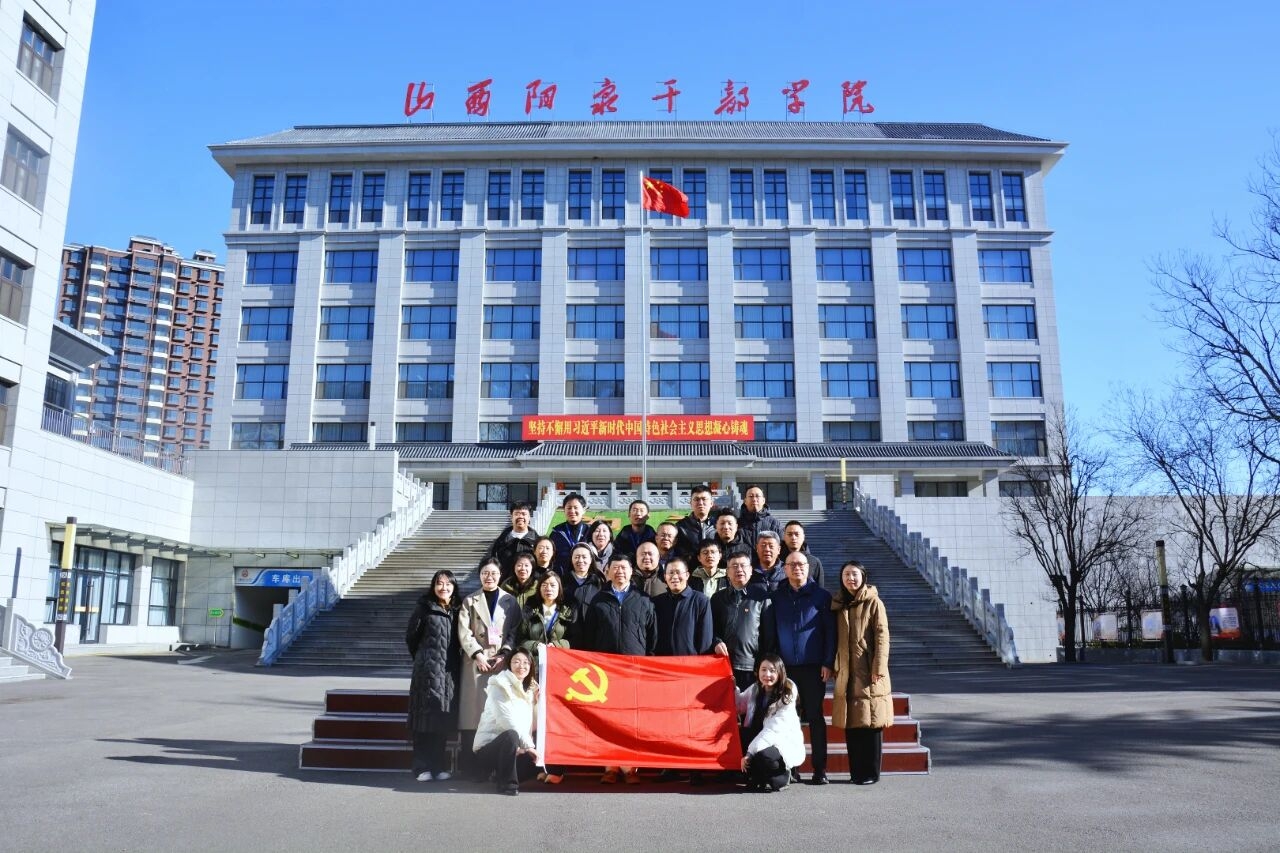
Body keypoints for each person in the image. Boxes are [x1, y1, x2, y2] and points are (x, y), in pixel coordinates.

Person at [584, 554, 656, 785]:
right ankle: (610, 767)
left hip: (634, 670)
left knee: (630, 721)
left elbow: (652, 636)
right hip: (605, 672)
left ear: (631, 571)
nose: (619, 572)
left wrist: (649, 664)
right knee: (607, 720)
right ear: (607, 571)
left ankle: (630, 767)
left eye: (624, 568)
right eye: (615, 568)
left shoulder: (643, 599)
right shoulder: (598, 600)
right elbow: (589, 636)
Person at [766, 551, 835, 785]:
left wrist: (828, 662)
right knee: (788, 718)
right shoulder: (777, 597)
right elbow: (772, 632)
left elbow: (830, 633)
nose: (797, 568)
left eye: (801, 564)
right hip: (786, 669)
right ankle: (792, 768)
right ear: (784, 569)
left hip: (814, 667)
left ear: (809, 568)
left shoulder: (822, 596)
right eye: (792, 564)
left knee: (815, 717)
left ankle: (820, 769)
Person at [457, 560, 522, 776]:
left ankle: (495, 767)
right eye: (485, 573)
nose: (489, 577)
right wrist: (477, 654)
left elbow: (514, 630)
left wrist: (505, 653)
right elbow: (464, 631)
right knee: (473, 715)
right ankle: (472, 768)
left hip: (500, 662)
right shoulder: (470, 601)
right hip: (476, 663)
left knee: (497, 715)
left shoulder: (510, 601)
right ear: (480, 575)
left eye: (493, 573)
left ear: (500, 575)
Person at [832, 560, 893, 785]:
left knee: (872, 722)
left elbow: (882, 637)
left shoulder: (874, 602)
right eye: (846, 574)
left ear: (863, 577)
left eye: (854, 574)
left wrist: (879, 667)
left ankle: (871, 772)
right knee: (852, 722)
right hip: (847, 672)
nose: (850, 578)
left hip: (868, 671)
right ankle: (856, 772)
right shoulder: (839, 603)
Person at [404, 569, 462, 782]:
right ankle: (421, 767)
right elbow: (411, 638)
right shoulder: (424, 608)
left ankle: (438, 767)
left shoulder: (458, 610)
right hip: (427, 674)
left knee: (442, 720)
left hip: (449, 674)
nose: (443, 588)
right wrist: (424, 659)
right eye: (439, 583)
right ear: (433, 586)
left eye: (448, 584)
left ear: (454, 587)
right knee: (424, 720)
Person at [472, 648, 540, 796]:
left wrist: (536, 702)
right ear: (509, 664)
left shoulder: (529, 690)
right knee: (511, 735)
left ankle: (499, 774)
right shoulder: (499, 684)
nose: (521, 666)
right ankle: (507, 785)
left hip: (513, 749)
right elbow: (507, 720)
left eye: (526, 662)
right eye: (516, 662)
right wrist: (528, 747)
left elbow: (533, 726)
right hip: (489, 750)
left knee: (536, 764)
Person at [735, 654, 805, 792]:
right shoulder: (756, 688)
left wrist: (749, 753)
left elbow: (772, 730)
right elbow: (739, 706)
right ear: (758, 671)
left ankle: (784, 775)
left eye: (772, 671)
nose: (767, 674)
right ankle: (758, 776)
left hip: (779, 742)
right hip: (759, 739)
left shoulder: (787, 694)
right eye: (764, 669)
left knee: (763, 756)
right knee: (739, 737)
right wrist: (732, 688)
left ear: (780, 673)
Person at [712, 549, 772, 690]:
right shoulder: (717, 598)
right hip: (723, 664)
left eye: (743, 565)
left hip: (751, 667)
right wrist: (716, 642)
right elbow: (710, 629)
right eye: (734, 566)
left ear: (750, 570)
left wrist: (762, 664)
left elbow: (769, 636)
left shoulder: (762, 597)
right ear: (727, 572)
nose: (739, 569)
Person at [652, 558, 713, 657]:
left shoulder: (700, 600)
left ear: (687, 575)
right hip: (662, 661)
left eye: (678, 572)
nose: (675, 576)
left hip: (690, 662)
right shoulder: (657, 602)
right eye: (671, 573)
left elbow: (705, 639)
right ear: (665, 577)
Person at [517, 571, 577, 665]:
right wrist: (535, 646)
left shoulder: (568, 610)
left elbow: (575, 639)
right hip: (534, 663)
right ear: (539, 589)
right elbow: (520, 639)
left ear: (559, 588)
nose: (548, 588)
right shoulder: (530, 609)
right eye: (544, 585)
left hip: (560, 663)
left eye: (553, 585)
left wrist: (557, 645)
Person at [483, 501, 537, 580]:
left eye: (524, 514)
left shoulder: (537, 542)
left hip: (531, 585)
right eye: (517, 514)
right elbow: (494, 565)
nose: (520, 517)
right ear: (511, 517)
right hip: (505, 584)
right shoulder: (501, 542)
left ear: (529, 517)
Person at [550, 493, 589, 575]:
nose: (572, 511)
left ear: (583, 510)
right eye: (569, 508)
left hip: (585, 576)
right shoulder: (557, 531)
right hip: (562, 576)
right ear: (564, 510)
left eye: (576, 507)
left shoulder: (590, 531)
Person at [676, 485, 718, 562]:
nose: (700, 503)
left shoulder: (718, 525)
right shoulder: (681, 526)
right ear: (691, 503)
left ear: (711, 503)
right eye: (696, 499)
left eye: (704, 499)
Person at [562, 542, 605, 610]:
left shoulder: (598, 582)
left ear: (591, 560)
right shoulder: (563, 581)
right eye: (577, 557)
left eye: (584, 557)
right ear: (571, 559)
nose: (580, 560)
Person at [781, 520, 824, 589]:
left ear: (803, 537)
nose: (793, 537)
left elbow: (820, 589)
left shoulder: (814, 562)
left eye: (797, 534)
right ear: (784, 537)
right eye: (789, 534)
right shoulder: (776, 560)